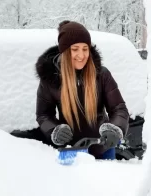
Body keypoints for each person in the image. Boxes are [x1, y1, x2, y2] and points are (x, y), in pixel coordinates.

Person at [11, 20, 129, 160]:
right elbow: (43, 115)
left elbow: (119, 108)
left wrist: (115, 128)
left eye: (85, 49)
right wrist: (54, 130)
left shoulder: (102, 75)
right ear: (65, 51)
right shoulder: (51, 79)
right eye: (75, 49)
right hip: (70, 152)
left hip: (102, 148)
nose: (81, 55)